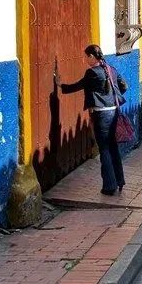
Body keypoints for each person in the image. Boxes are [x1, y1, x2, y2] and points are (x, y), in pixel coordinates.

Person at [56, 44, 128, 196]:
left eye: (86, 57)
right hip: (114, 112)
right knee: (113, 146)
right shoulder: (111, 69)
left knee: (104, 149)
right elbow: (123, 87)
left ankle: (109, 186)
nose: (85, 60)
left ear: (92, 57)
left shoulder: (92, 72)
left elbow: (79, 86)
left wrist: (60, 85)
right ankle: (119, 181)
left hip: (101, 115)